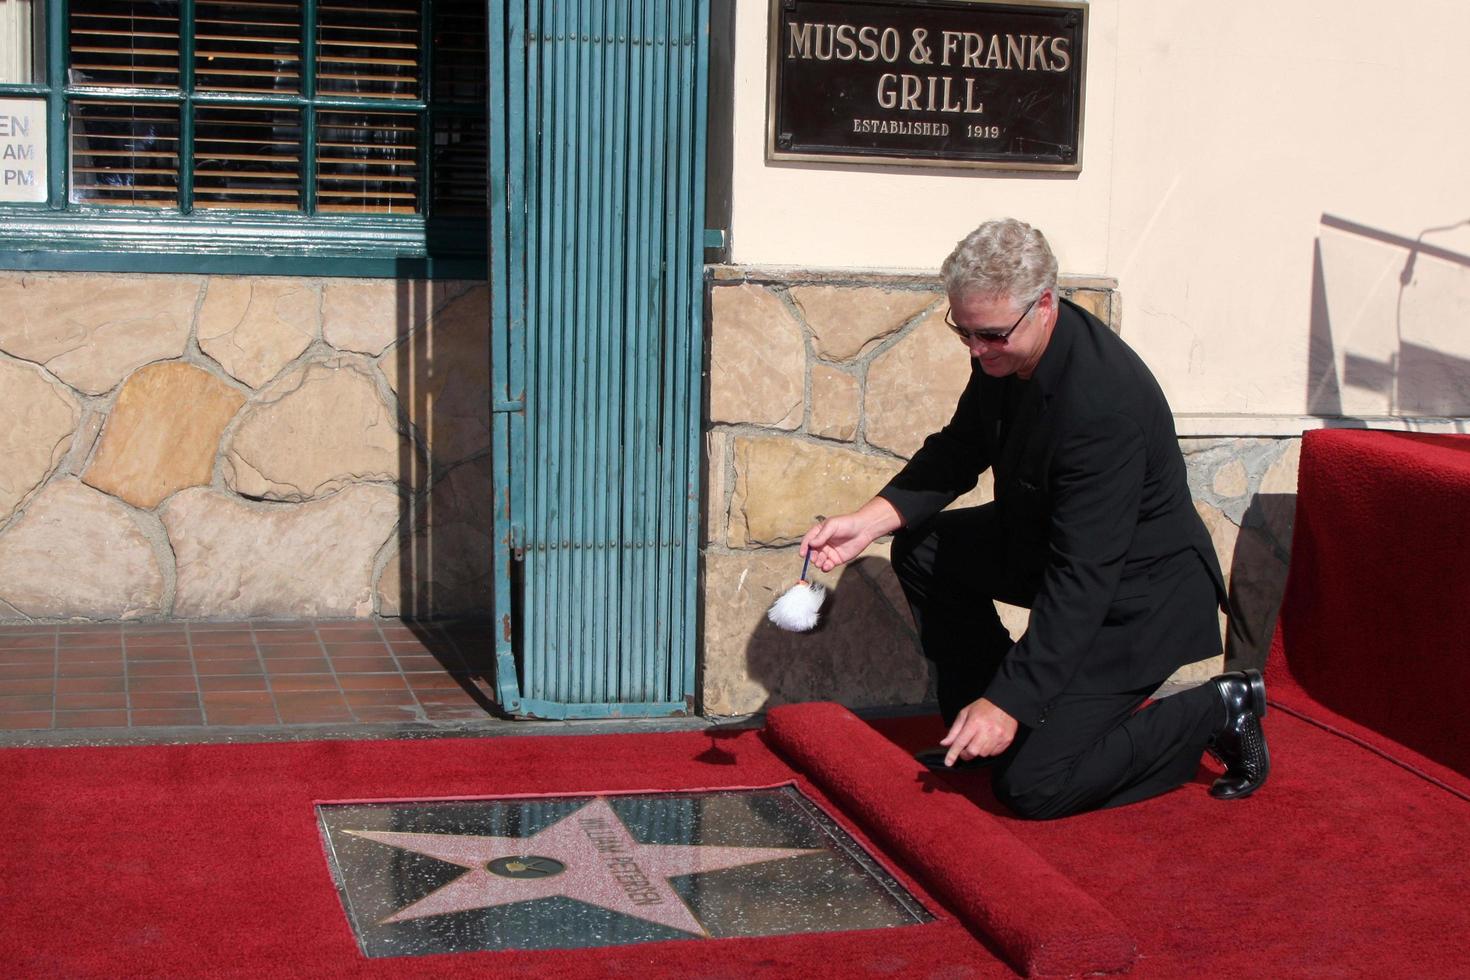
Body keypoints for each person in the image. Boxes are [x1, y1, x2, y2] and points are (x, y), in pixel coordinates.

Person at [800, 218, 1269, 819]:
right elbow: (963, 445)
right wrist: (871, 519)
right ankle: (986, 733)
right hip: (1054, 548)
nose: (975, 349)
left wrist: (1013, 699)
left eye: (990, 334)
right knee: (924, 547)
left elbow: (1086, 578)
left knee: (1034, 787)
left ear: (1044, 304)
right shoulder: (1005, 352)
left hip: (1138, 598)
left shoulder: (1103, 406)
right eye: (963, 331)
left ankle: (1217, 707)